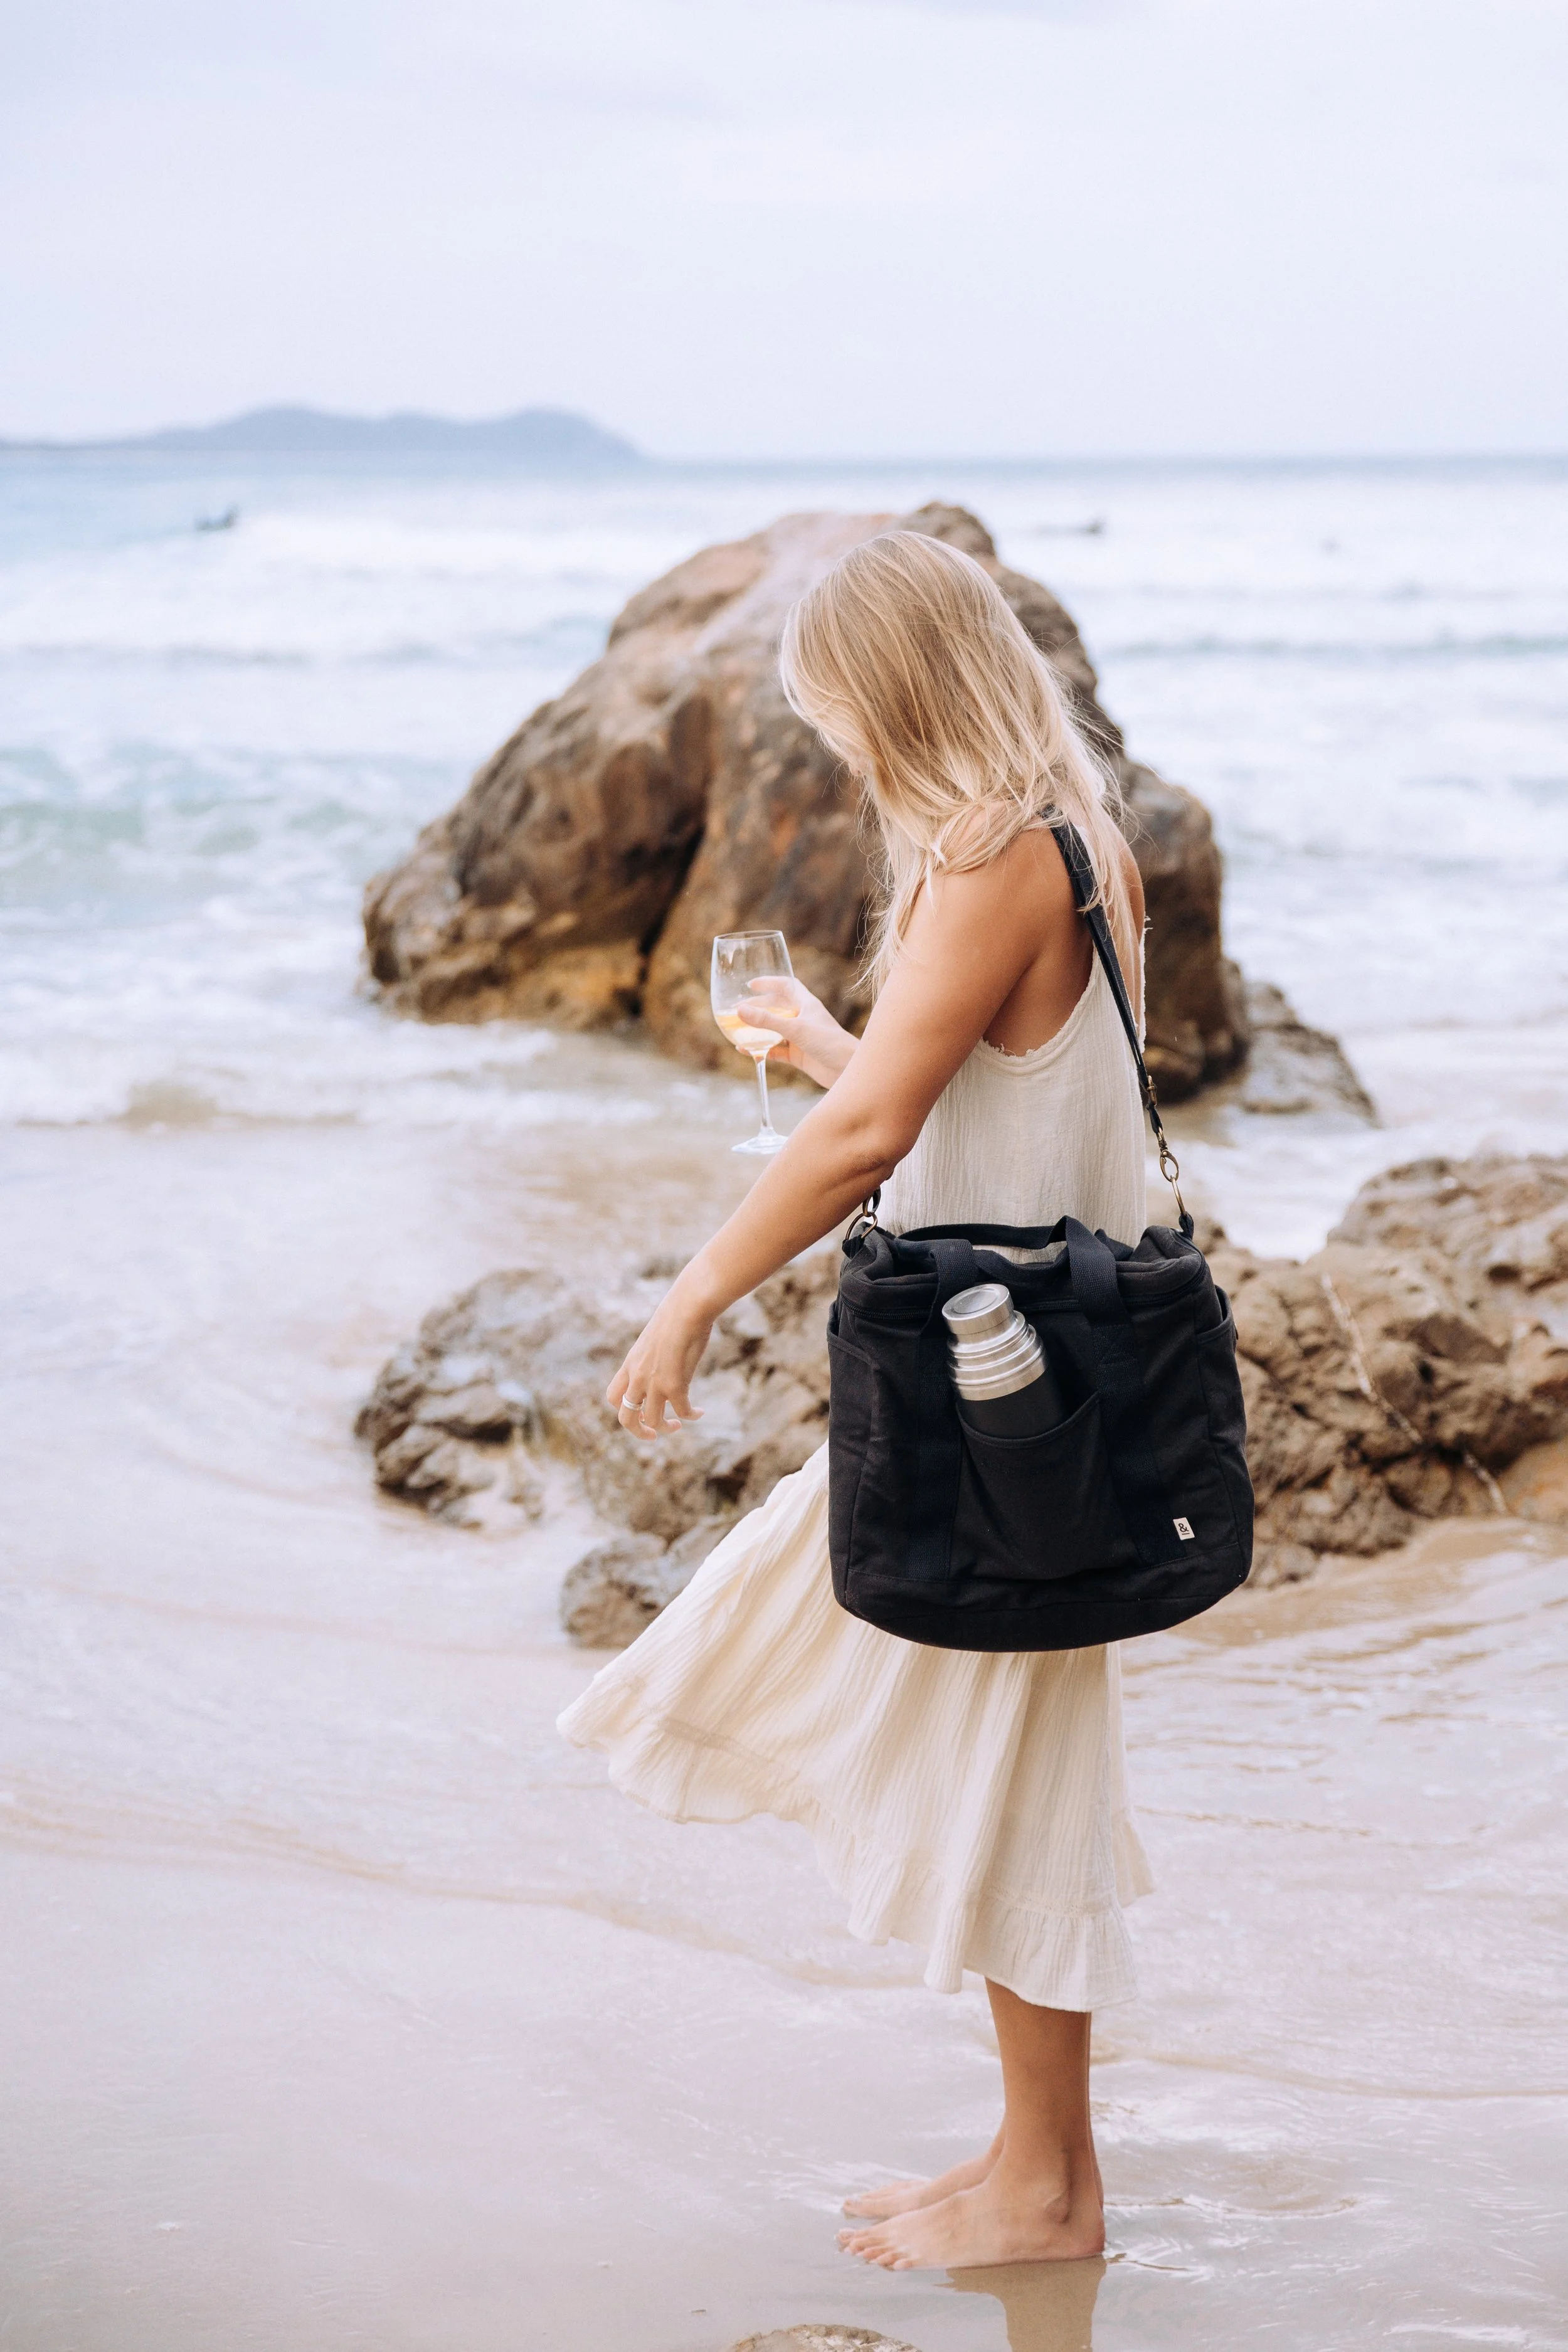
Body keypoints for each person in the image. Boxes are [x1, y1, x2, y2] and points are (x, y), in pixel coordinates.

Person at [558, 528, 1153, 2274]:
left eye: (837, 718)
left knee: (1003, 1754)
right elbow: (986, 1089)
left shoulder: (992, 860)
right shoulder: (1069, 838)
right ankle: (1025, 2162)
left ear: (895, 695)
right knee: (988, 1745)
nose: (837, 751)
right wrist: (838, 1034)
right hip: (1028, 1378)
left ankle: (1050, 2191)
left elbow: (870, 1140)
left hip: (1006, 1397)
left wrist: (686, 1297)